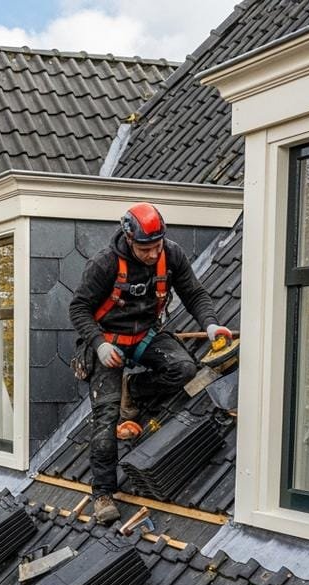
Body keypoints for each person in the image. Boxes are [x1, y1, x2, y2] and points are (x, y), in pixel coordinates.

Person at [69, 203, 230, 524]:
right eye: (146, 248)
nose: (153, 253)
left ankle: (134, 389)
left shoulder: (171, 255)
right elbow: (78, 309)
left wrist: (211, 324)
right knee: (106, 418)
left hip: (145, 335)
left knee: (184, 369)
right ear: (130, 239)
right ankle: (103, 493)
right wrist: (99, 344)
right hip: (108, 341)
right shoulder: (104, 264)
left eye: (157, 245)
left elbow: (194, 294)